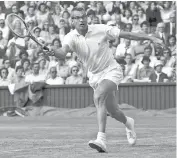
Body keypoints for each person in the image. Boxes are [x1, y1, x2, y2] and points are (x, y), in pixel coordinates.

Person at [50, 7, 164, 152]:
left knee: (98, 96)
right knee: (114, 111)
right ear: (72, 21)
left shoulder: (101, 29)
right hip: (95, 76)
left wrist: (150, 37)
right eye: (77, 17)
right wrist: (53, 52)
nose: (81, 20)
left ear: (87, 18)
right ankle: (128, 123)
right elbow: (62, 52)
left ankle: (101, 139)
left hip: (111, 70)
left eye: (83, 16)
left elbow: (127, 34)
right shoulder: (70, 37)